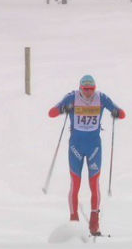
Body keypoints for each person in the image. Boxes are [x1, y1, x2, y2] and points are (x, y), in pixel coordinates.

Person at [48, 74, 126, 236]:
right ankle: (74, 222)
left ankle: (94, 225)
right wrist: (63, 109)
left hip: (94, 147)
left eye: (91, 89)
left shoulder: (101, 98)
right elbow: (51, 113)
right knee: (75, 184)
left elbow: (122, 112)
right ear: (80, 88)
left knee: (94, 183)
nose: (89, 93)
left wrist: (117, 113)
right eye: (85, 90)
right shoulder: (72, 97)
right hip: (75, 146)